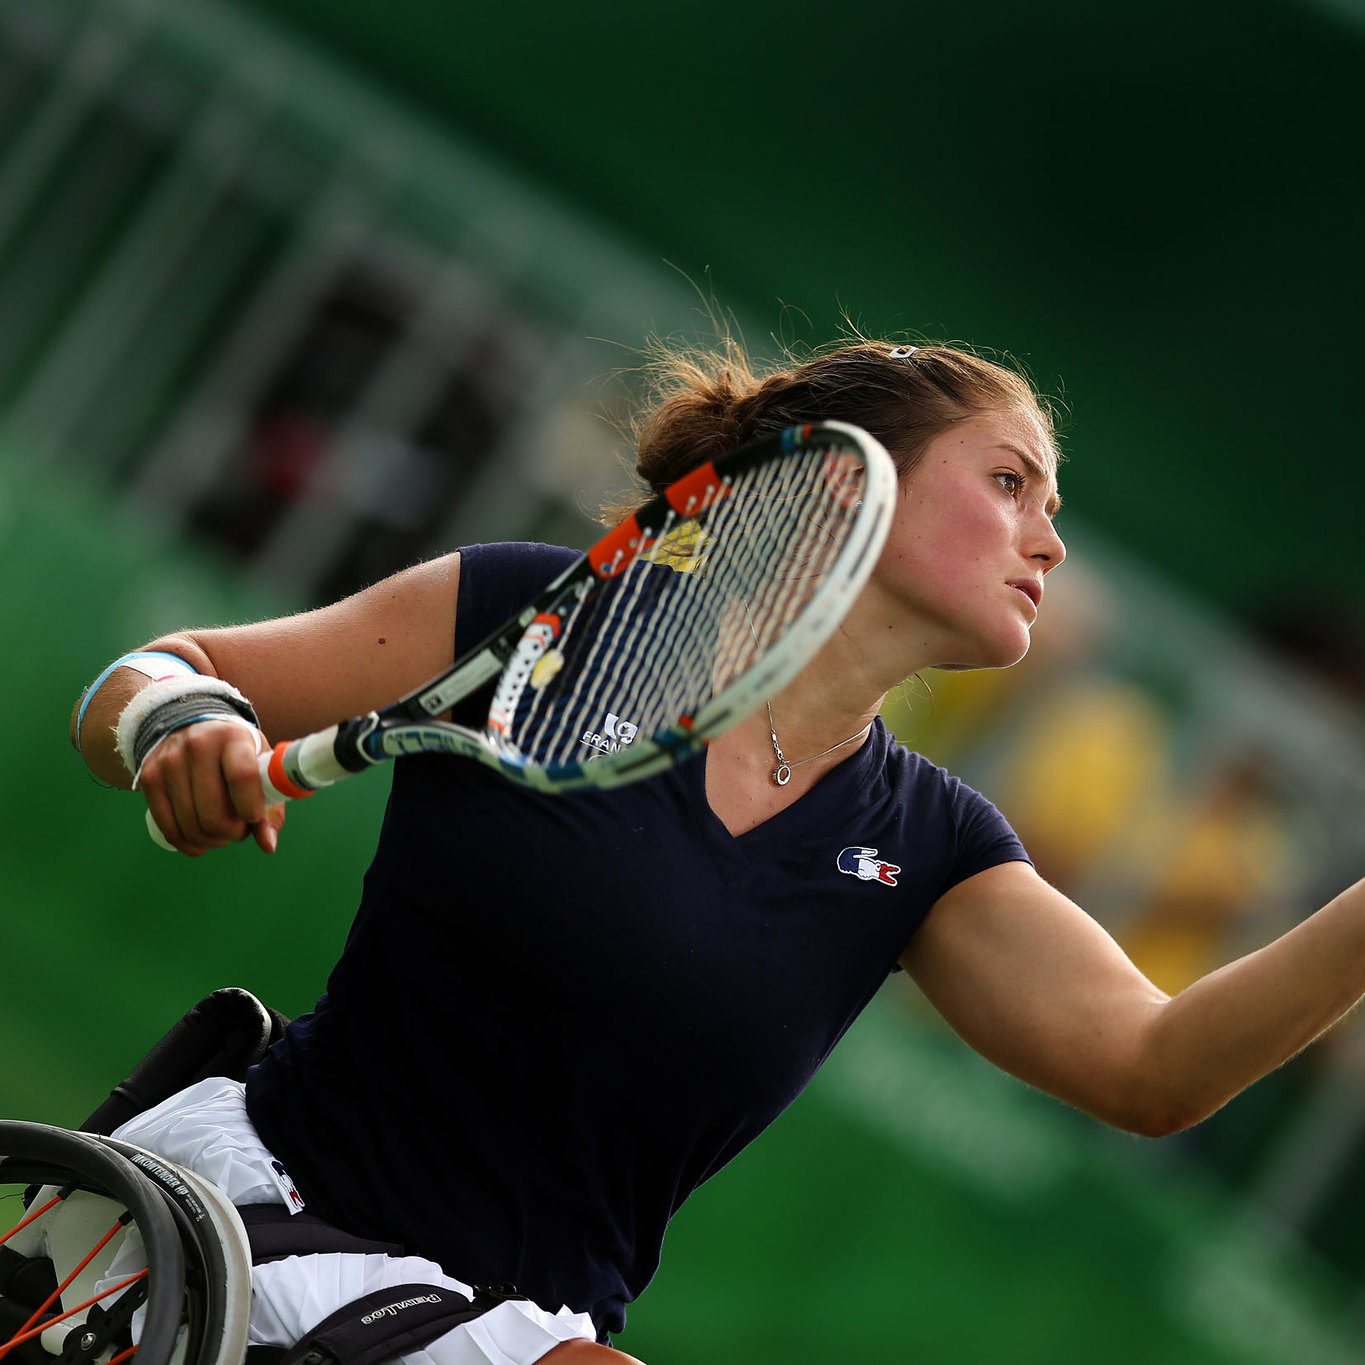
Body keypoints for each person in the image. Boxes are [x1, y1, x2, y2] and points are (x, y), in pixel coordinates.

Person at [70, 336, 1365, 1364]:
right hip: (251, 1226)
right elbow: (158, 671)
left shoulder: (931, 849)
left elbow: (1153, 1068)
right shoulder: (534, 613)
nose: (1051, 540)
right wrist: (184, 725)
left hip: (525, 1327)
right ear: (849, 483)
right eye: (1009, 482)